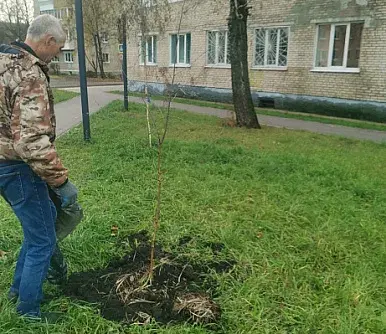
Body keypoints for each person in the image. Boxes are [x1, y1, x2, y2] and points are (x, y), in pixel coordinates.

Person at [0, 14, 82, 322]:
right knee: (43, 240)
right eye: (58, 48)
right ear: (47, 41)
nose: (57, 55)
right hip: (18, 168)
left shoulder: (3, 61)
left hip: (3, 164)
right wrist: (61, 183)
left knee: (38, 229)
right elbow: (32, 142)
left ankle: (17, 290)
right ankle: (28, 312)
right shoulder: (29, 74)